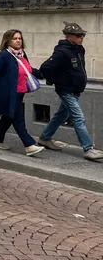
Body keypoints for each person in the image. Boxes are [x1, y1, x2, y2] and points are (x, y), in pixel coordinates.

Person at [36, 22, 103, 161]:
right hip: (66, 90)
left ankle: (44, 138)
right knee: (78, 118)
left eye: (82, 35)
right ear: (68, 36)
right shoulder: (62, 51)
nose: (81, 38)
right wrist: (55, 80)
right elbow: (45, 68)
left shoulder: (79, 49)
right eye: (78, 35)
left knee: (60, 115)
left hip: (75, 90)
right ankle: (88, 149)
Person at [0, 30, 44, 156]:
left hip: (20, 91)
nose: (18, 40)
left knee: (8, 116)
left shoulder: (21, 54)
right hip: (8, 93)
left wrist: (44, 74)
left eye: (19, 38)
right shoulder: (3, 55)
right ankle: (29, 145)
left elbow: (28, 69)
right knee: (18, 118)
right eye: (14, 38)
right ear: (8, 40)